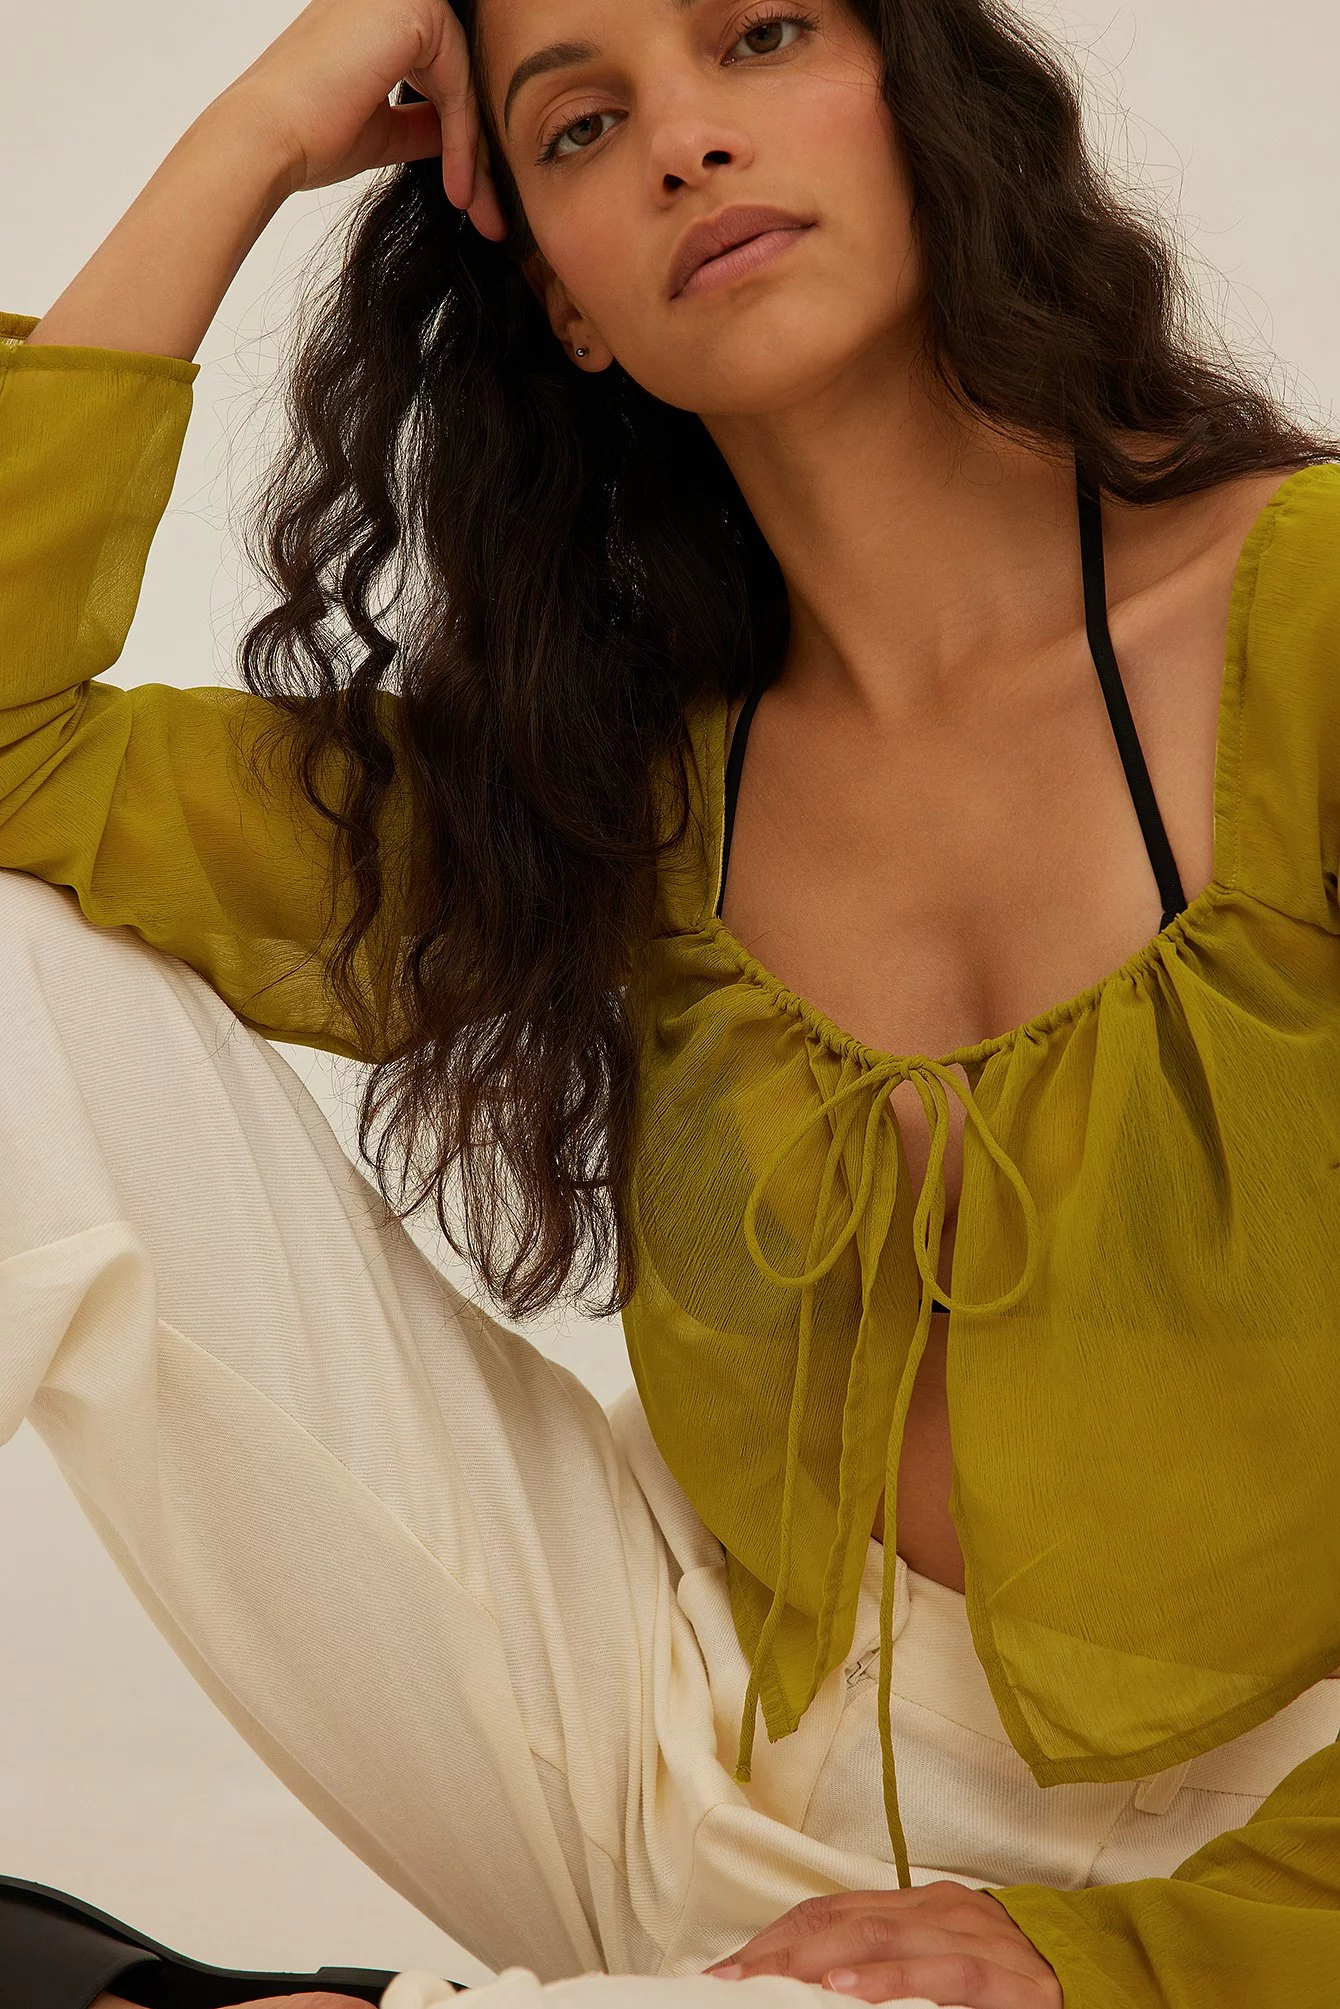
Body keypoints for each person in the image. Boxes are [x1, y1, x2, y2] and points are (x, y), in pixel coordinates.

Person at [3, 0, 1340, 2003]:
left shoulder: (1303, 619)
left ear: (923, 99)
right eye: (578, 125)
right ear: (569, 306)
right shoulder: (614, 780)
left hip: (1252, 1869)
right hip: (666, 1766)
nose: (684, 142)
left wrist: (1125, 1954)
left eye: (760, 34)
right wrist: (259, 128)